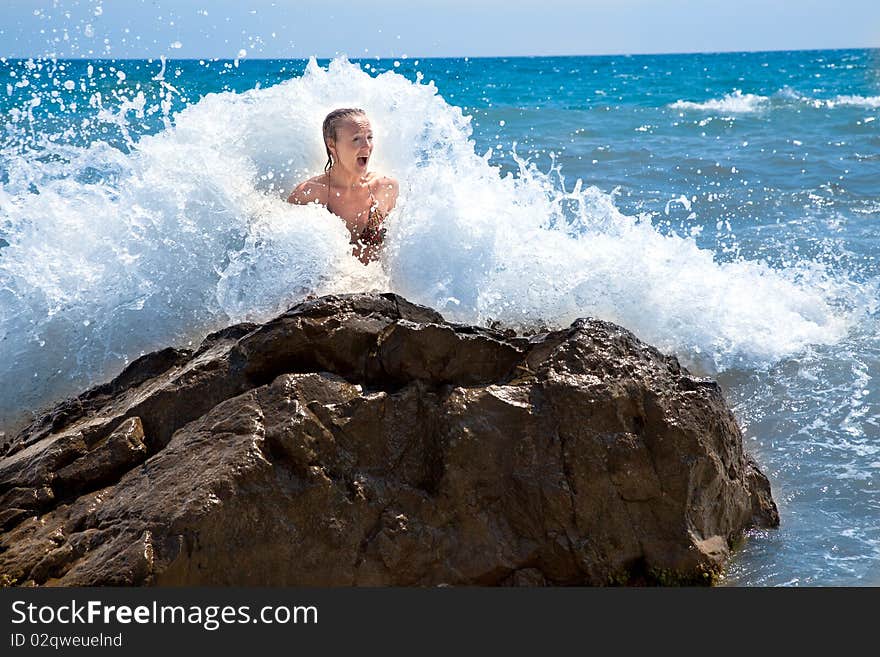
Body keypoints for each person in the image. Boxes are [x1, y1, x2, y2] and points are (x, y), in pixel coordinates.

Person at [288, 108, 399, 264]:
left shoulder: (385, 188)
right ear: (332, 144)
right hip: (330, 287)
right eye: (356, 139)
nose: (366, 146)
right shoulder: (309, 194)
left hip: (379, 286)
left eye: (369, 137)